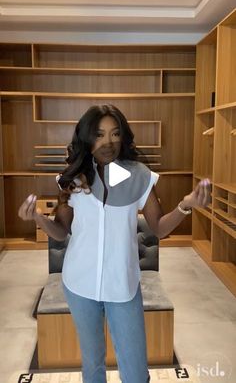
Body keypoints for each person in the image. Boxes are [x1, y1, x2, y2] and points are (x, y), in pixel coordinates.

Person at [18, 104, 211, 383]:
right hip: (79, 284)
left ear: (123, 137)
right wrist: (37, 218)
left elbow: (158, 228)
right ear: (87, 138)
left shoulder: (140, 176)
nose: (108, 142)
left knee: (134, 372)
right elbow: (61, 231)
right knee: (93, 364)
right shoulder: (72, 179)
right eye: (99, 134)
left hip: (123, 285)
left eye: (115, 134)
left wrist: (186, 205)